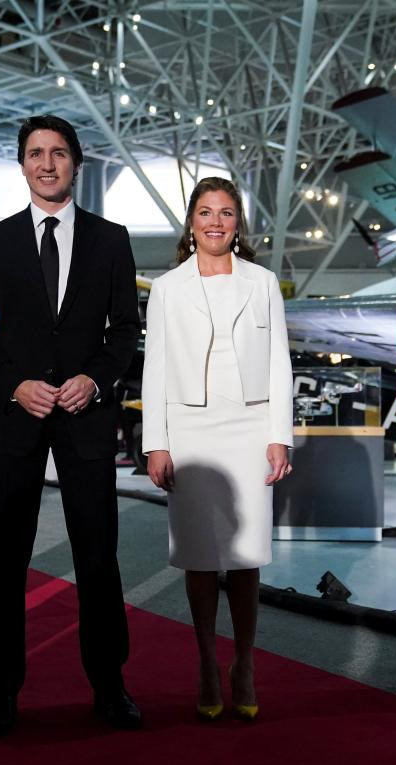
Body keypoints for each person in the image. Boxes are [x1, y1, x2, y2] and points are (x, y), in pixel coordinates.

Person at [0, 115, 142, 735]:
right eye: (35, 153)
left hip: (86, 417)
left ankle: (110, 685)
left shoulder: (111, 240)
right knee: (6, 559)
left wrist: (96, 378)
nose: (46, 163)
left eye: (58, 153)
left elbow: (125, 332)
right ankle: (2, 692)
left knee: (99, 557)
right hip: (17, 417)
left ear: (75, 163)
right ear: (21, 164)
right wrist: (14, 384)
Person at [140, 176, 293, 722]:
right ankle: (207, 660)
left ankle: (244, 663)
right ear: (191, 222)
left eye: (226, 213)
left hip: (251, 427)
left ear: (238, 223)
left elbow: (280, 361)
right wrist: (155, 443)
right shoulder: (166, 288)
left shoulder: (264, 281)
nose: (216, 222)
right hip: (191, 430)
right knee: (201, 559)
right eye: (206, 212)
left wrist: (281, 434)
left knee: (247, 558)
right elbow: (153, 366)